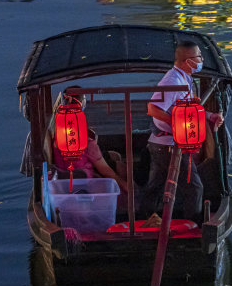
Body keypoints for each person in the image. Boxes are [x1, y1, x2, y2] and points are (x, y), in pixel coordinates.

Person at [138, 41, 223, 224]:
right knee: (194, 187)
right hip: (167, 144)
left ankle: (144, 218)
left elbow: (189, 109)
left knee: (156, 185)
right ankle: (192, 226)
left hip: (164, 144)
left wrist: (210, 116)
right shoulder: (172, 80)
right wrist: (178, 123)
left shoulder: (185, 78)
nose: (201, 60)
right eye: (198, 56)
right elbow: (153, 109)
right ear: (187, 61)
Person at [52, 89, 129, 195]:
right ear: (82, 104)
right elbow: (106, 171)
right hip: (84, 182)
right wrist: (126, 186)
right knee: (120, 167)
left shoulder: (57, 134)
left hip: (65, 175)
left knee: (114, 156)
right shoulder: (87, 143)